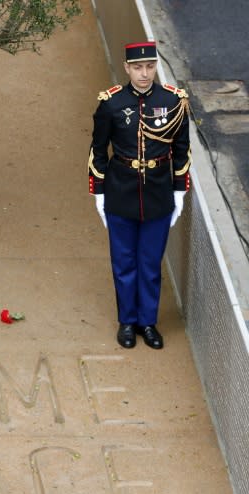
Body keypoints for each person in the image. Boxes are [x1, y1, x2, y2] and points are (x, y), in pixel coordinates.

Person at [88, 41, 190, 350]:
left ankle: (148, 322)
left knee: (149, 262)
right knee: (123, 262)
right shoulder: (111, 104)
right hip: (121, 193)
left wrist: (179, 190)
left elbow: (182, 148)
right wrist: (100, 192)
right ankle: (127, 322)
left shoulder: (173, 101)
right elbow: (98, 149)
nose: (143, 74)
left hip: (158, 194)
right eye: (137, 67)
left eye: (149, 66)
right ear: (127, 67)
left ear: (156, 66)